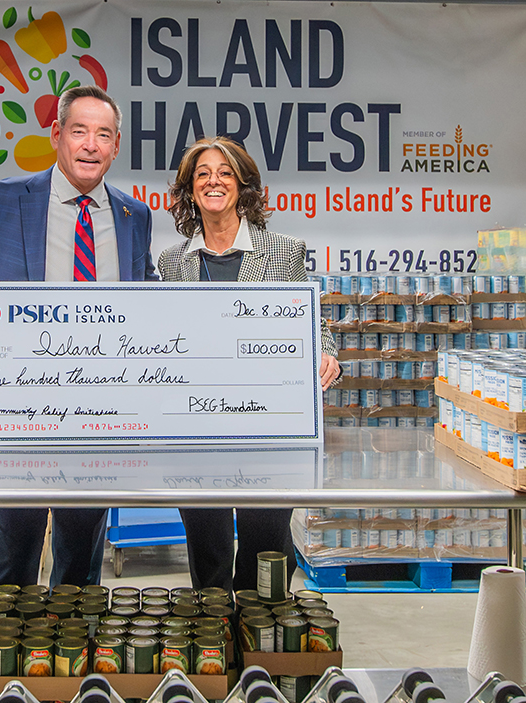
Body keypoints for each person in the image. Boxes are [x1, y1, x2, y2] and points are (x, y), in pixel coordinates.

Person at [0, 85, 157, 613]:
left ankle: (71, 674)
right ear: (56, 136)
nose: (90, 145)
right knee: (16, 551)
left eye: (103, 135)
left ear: (116, 146)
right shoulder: (7, 200)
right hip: (22, 414)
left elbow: (146, 296)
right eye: (79, 131)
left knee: (80, 560)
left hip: (102, 413)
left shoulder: (132, 216)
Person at [157, 136, 340, 594]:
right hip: (195, 428)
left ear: (242, 184)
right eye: (202, 173)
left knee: (265, 546)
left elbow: (313, 321)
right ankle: (214, 640)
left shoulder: (283, 250)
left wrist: (326, 352)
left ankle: (261, 646)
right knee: (207, 547)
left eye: (224, 172)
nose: (213, 181)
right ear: (189, 189)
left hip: (267, 428)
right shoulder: (173, 262)